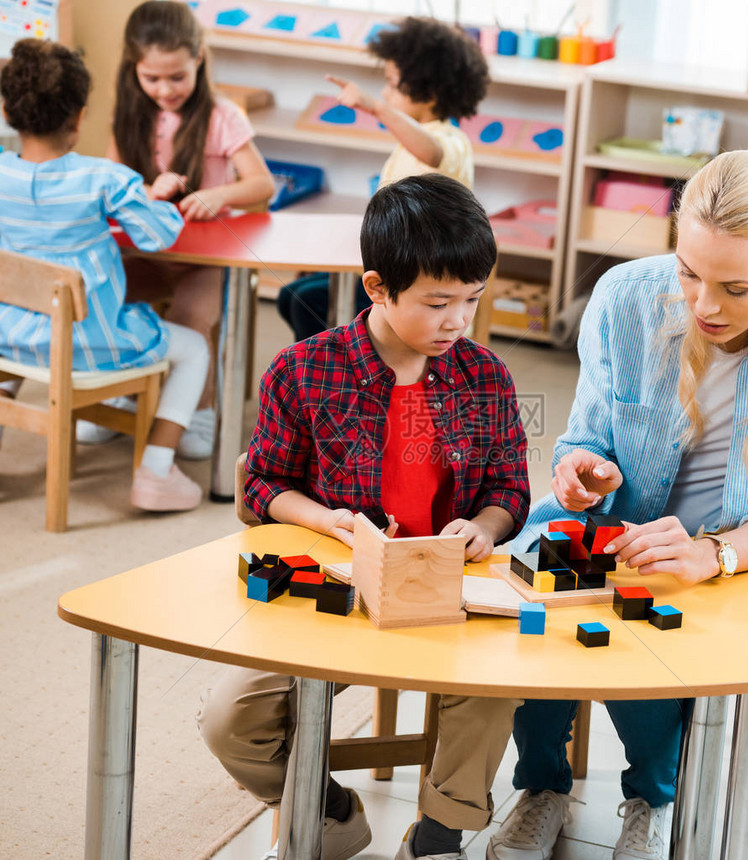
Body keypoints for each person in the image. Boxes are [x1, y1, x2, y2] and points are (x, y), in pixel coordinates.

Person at [487, 150, 748, 860]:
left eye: (736, 287)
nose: (704, 305)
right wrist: (579, 472)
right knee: (533, 594)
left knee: (652, 621)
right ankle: (540, 786)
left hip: (737, 546)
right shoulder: (627, 294)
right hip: (616, 524)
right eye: (689, 272)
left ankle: (653, 797)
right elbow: (586, 436)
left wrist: (713, 553)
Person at [197, 174, 530, 860]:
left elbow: (509, 488)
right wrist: (326, 520)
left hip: (448, 596)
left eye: (471, 299)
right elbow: (261, 485)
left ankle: (438, 837)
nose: (458, 321)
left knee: (493, 689)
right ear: (377, 287)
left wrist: (485, 528)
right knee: (230, 721)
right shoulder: (305, 371)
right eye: (438, 303)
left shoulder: (486, 378)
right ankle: (328, 814)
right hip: (336, 592)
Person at [0, 38, 210, 512]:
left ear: (10, 113)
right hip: (86, 344)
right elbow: (158, 236)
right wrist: (154, 197)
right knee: (193, 348)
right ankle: (156, 471)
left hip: (11, 337)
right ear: (78, 118)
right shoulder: (104, 178)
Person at [78, 0, 274, 458]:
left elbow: (261, 183)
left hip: (205, 259)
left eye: (177, 76)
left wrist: (218, 195)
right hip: (146, 251)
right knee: (105, 301)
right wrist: (147, 189)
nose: (165, 89)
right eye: (152, 78)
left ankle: (198, 411)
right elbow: (111, 180)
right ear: (135, 69)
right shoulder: (129, 114)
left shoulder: (223, 115)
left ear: (199, 59)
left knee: (191, 319)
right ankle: (119, 393)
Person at [277, 15, 489, 343]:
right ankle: (330, 370)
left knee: (308, 302)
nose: (386, 93)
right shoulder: (412, 142)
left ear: (429, 94)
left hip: (417, 285)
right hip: (393, 269)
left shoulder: (449, 140)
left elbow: (431, 151)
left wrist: (375, 107)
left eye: (393, 84)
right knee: (292, 295)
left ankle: (344, 373)